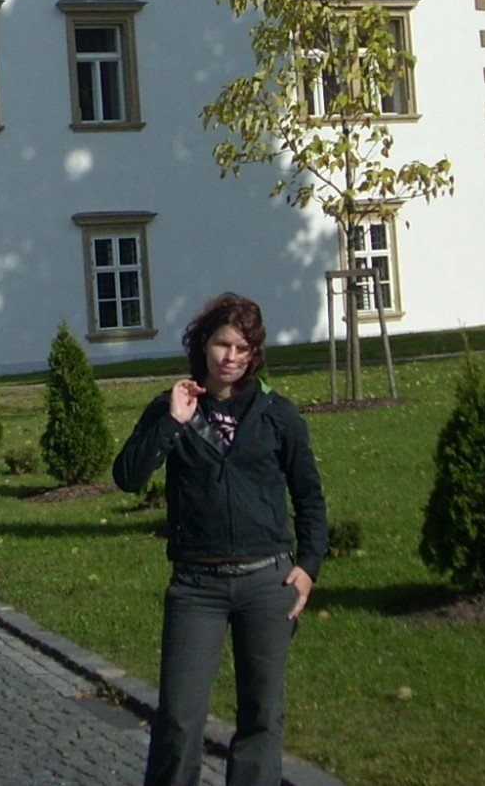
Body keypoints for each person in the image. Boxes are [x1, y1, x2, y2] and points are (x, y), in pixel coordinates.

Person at [113, 293, 327, 786]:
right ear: (201, 345)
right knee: (180, 718)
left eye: (242, 347)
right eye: (221, 344)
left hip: (267, 584)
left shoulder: (278, 414)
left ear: (255, 354)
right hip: (197, 586)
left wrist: (309, 566)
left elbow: (309, 496)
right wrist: (172, 421)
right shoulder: (173, 407)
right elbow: (127, 475)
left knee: (261, 716)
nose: (230, 356)